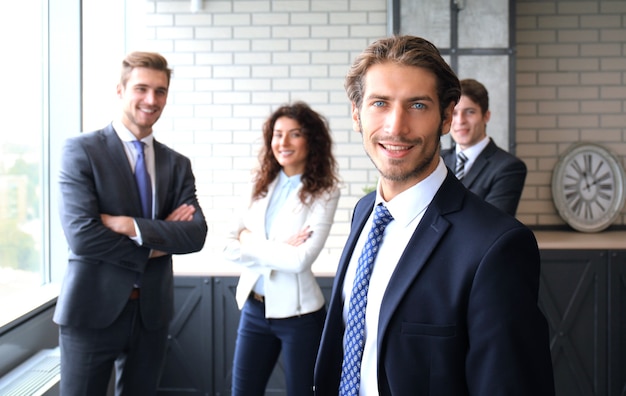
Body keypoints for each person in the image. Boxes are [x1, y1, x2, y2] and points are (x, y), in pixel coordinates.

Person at [313, 36, 555, 396]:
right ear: (356, 114)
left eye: (418, 106)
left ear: (446, 117)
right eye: (380, 103)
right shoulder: (365, 213)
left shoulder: (496, 247)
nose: (396, 126)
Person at [55, 51, 208, 396]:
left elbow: (195, 235)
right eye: (141, 88)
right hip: (91, 310)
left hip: (152, 314)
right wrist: (157, 240)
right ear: (121, 90)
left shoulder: (176, 164)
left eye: (160, 91)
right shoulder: (81, 151)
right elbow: (83, 237)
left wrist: (127, 225)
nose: (151, 100)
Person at [224, 101, 341, 396]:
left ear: (311, 140)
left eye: (295, 134)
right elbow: (226, 244)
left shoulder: (325, 193)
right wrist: (275, 248)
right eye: (277, 134)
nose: (283, 142)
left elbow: (300, 259)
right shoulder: (257, 183)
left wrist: (249, 241)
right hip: (254, 309)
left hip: (299, 317)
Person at [441, 78, 527, 216]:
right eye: (454, 113)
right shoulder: (438, 159)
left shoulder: (508, 167)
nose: (460, 121)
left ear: (486, 116)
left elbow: (494, 223)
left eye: (470, 112)